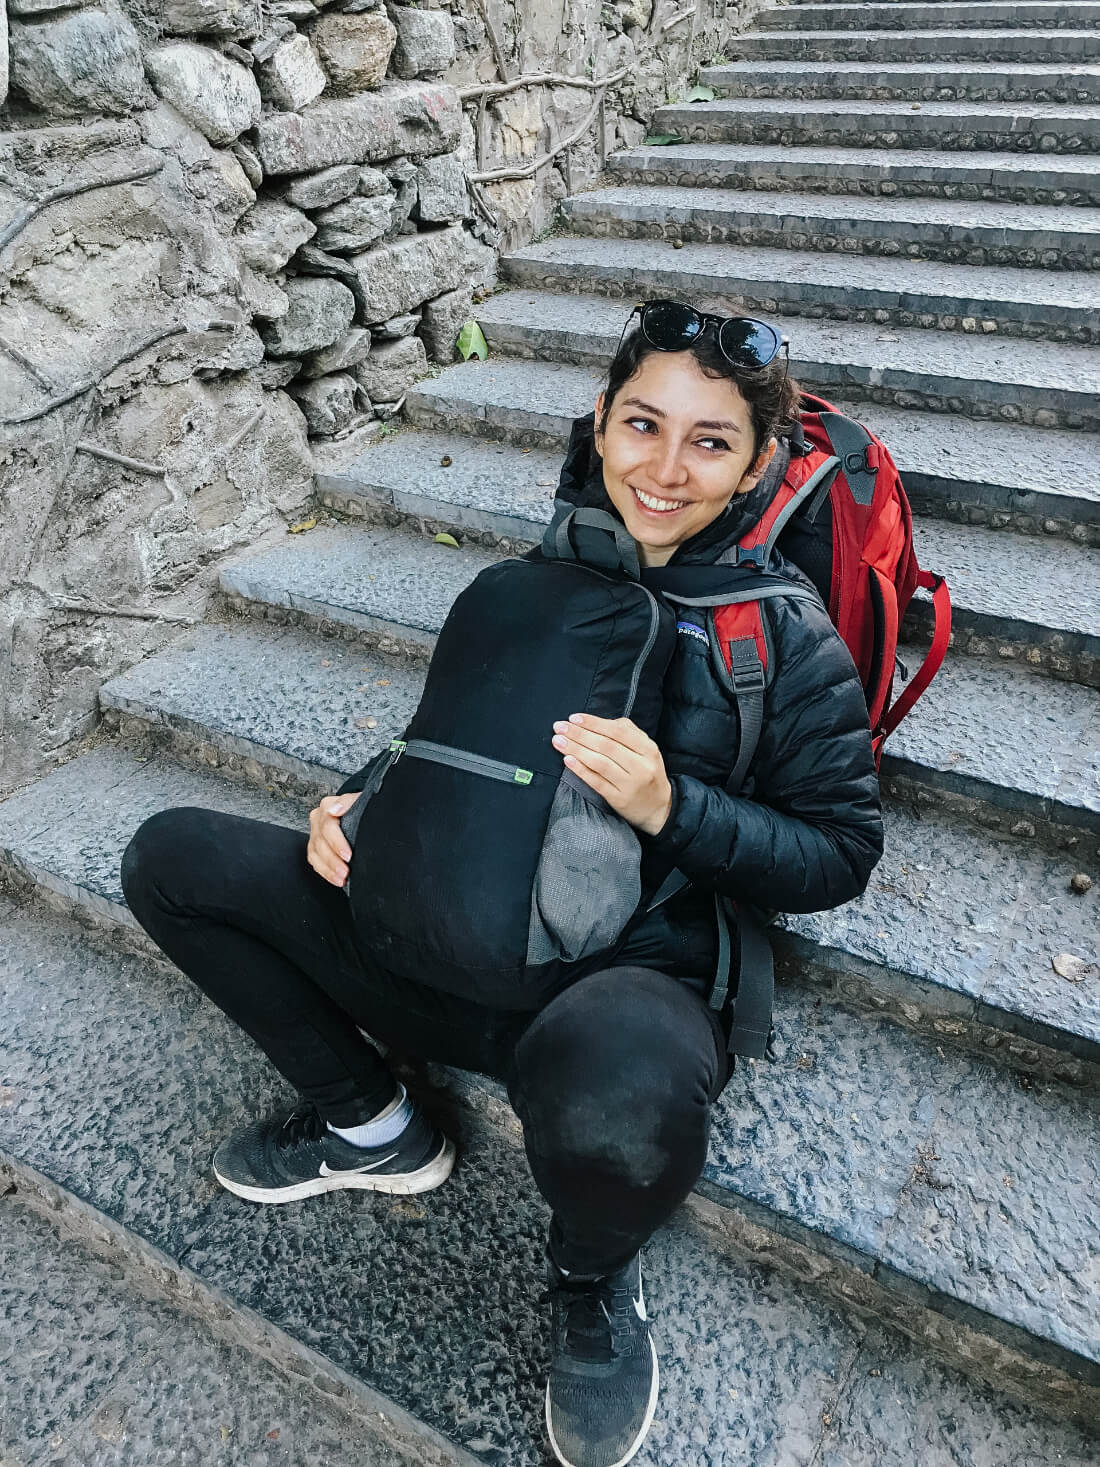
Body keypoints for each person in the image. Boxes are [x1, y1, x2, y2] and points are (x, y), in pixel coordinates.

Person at [121, 300, 883, 1467]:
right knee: (171, 856)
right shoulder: (523, 582)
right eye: (641, 424)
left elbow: (837, 853)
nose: (664, 468)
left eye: (708, 441)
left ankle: (591, 1279)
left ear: (754, 466)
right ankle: (374, 1128)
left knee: (620, 1085)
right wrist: (352, 800)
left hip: (608, 989)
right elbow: (448, 739)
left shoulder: (780, 640)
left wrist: (671, 807)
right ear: (598, 419)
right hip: (442, 922)